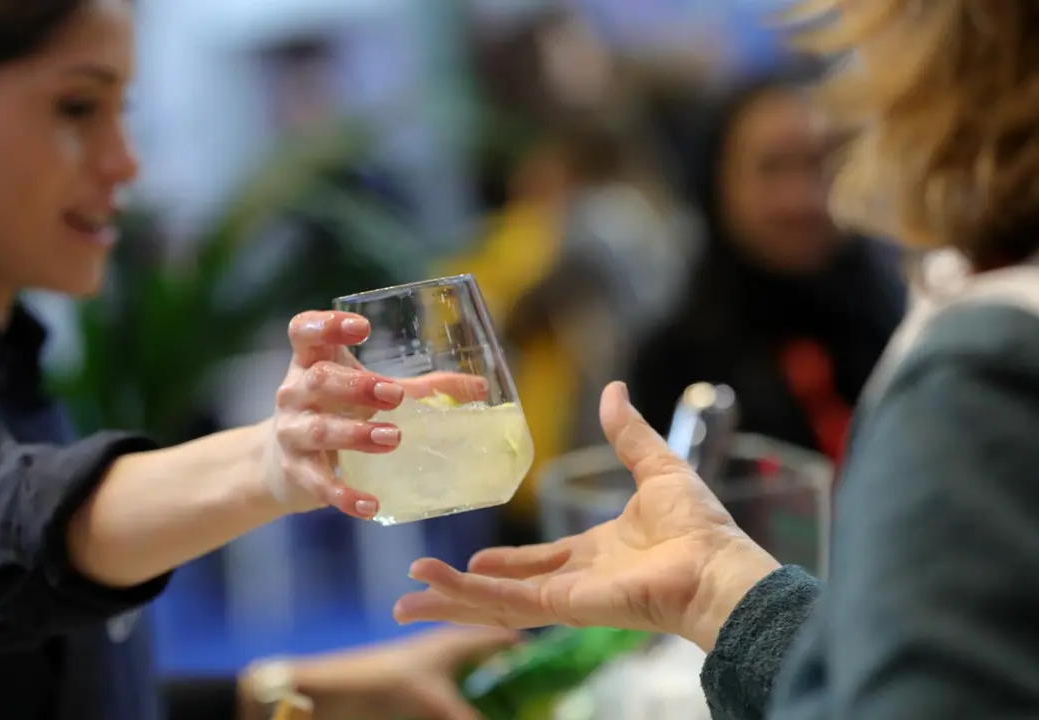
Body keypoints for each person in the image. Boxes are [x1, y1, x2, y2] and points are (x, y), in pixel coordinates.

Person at [0, 2, 516, 720]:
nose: (126, 163)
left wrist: (304, 692)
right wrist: (270, 462)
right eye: (78, 109)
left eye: (123, 110)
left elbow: (28, 685)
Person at [391, 1, 1039, 718]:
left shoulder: (968, 359)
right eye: (772, 169)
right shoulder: (677, 343)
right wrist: (725, 593)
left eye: (821, 160)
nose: (807, 194)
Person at [628, 75, 907, 464]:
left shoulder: (900, 327)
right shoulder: (672, 364)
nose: (799, 198)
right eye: (771, 168)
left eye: (817, 165)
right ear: (717, 183)